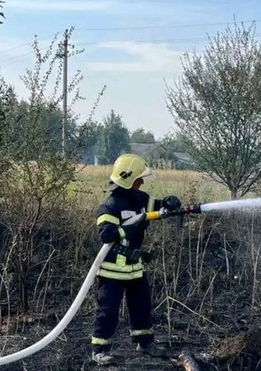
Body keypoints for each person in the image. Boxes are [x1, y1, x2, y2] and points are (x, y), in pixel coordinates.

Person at [90, 153, 182, 366]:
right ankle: (100, 350)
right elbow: (106, 235)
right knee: (108, 310)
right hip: (112, 270)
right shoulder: (109, 206)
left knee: (141, 305)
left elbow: (157, 206)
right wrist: (129, 228)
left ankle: (145, 343)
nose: (141, 182)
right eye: (138, 179)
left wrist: (168, 202)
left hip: (134, 267)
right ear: (127, 179)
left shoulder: (139, 199)